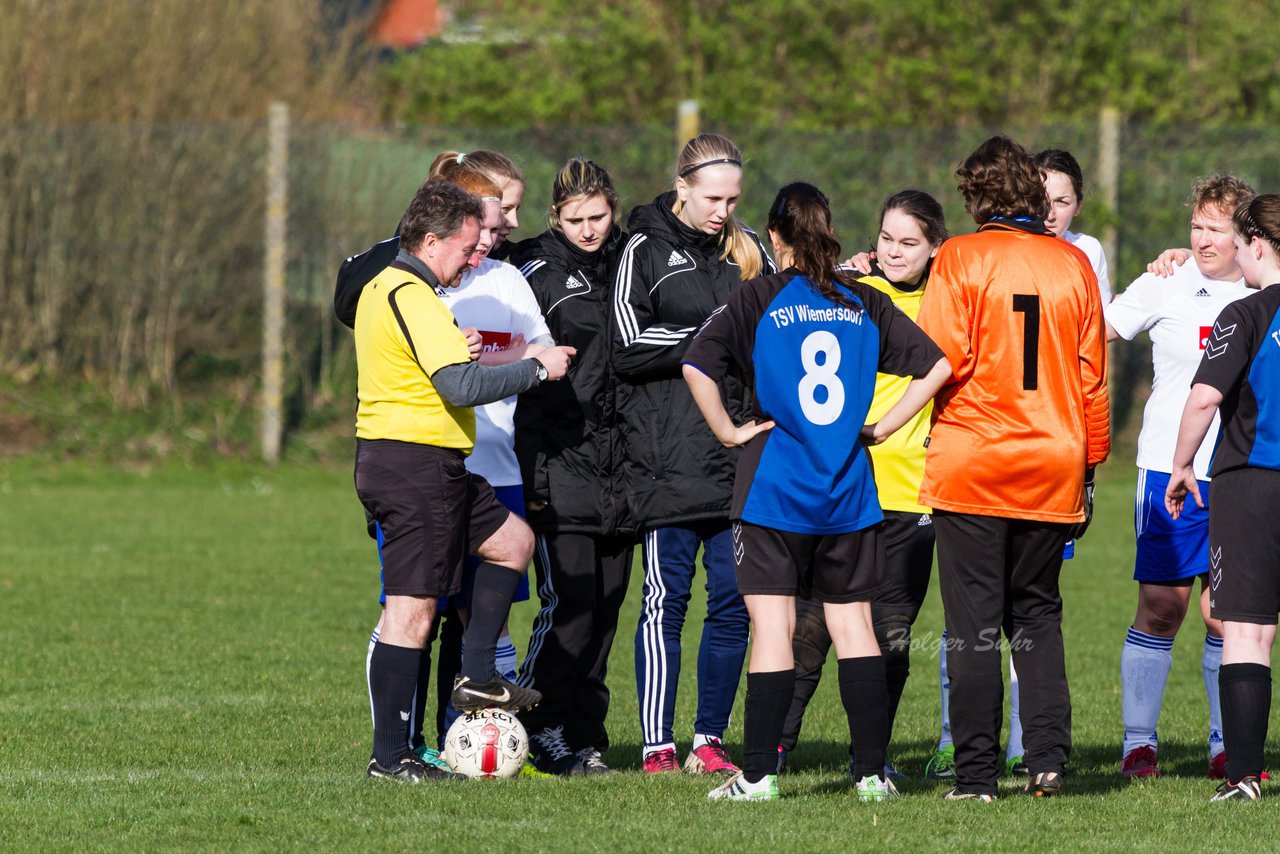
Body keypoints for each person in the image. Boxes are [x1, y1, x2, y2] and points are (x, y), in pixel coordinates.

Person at [683, 182, 949, 801]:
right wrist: (880, 428)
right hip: (849, 489)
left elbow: (697, 363)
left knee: (773, 629)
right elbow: (936, 366)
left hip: (773, 488)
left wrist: (729, 431)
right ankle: (871, 777)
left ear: (775, 237)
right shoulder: (862, 299)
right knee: (855, 625)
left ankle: (757, 777)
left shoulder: (757, 297)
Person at [353, 178, 573, 782]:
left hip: (441, 465)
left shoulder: (400, 289)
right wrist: (536, 368)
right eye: (467, 247)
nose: (475, 258)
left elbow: (438, 367)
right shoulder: (411, 293)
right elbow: (461, 386)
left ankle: (478, 675)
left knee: (513, 542)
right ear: (431, 239)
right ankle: (391, 755)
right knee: (413, 610)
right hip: (411, 465)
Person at [917, 136, 1110, 801]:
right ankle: (1048, 763)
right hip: (1052, 461)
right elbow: (1094, 381)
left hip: (974, 461)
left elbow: (942, 359)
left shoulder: (961, 257)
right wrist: (1091, 462)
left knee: (972, 625)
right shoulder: (1073, 264)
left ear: (976, 195)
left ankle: (975, 775)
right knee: (1037, 616)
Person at [613, 132, 774, 775]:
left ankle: (709, 739)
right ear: (681, 187)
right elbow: (627, 341)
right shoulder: (642, 248)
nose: (723, 211)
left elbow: (777, 324)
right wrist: (716, 333)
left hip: (738, 454)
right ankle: (658, 744)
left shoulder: (749, 249)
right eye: (712, 197)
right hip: (666, 455)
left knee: (733, 601)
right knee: (665, 599)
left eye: (733, 199)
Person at [776, 190, 948, 780]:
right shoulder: (847, 291)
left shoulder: (952, 298)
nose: (895, 252)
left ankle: (865, 760)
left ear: (936, 248)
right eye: (888, 239)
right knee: (810, 623)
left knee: (891, 635)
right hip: (845, 483)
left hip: (916, 491)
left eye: (911, 243)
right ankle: (777, 746)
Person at [1105, 175, 1255, 780]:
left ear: (1245, 235)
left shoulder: (1262, 287)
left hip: (1240, 473)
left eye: (1215, 229)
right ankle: (1138, 744)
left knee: (1227, 615)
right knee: (1163, 607)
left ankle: (1225, 745)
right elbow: (1099, 328)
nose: (1201, 239)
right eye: (1196, 226)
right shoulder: (1165, 280)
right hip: (1167, 468)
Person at [507, 158, 635, 775]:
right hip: (559, 465)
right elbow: (524, 384)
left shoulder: (627, 262)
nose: (589, 229)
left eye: (599, 216)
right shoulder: (534, 271)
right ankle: (538, 724)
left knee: (608, 606)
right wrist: (531, 479)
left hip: (622, 468)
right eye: (575, 219)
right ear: (555, 216)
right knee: (570, 607)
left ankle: (585, 734)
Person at [425, 153, 552, 756]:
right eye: (503, 213)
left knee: (488, 618)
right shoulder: (417, 285)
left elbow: (544, 351)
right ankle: (405, 744)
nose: (509, 227)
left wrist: (523, 363)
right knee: (419, 611)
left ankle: (479, 742)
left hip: (498, 469)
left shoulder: (508, 281)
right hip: (431, 469)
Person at [1166, 192, 1280, 802]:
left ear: (1257, 245)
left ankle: (1244, 777)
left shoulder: (1246, 313)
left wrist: (1182, 465)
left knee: (1246, 632)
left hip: (1254, 484)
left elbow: (1206, 398)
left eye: (1238, 242)